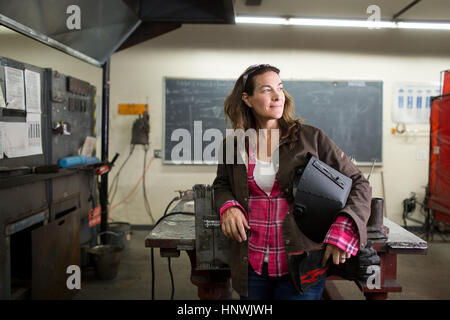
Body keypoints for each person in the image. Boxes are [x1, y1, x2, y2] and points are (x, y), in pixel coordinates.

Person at [212, 64, 372, 300]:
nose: (278, 96)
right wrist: (229, 207)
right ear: (247, 99)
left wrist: (344, 227)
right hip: (252, 263)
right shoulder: (233, 144)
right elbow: (221, 184)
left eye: (280, 87)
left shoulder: (311, 138)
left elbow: (359, 182)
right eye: (267, 90)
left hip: (302, 263)